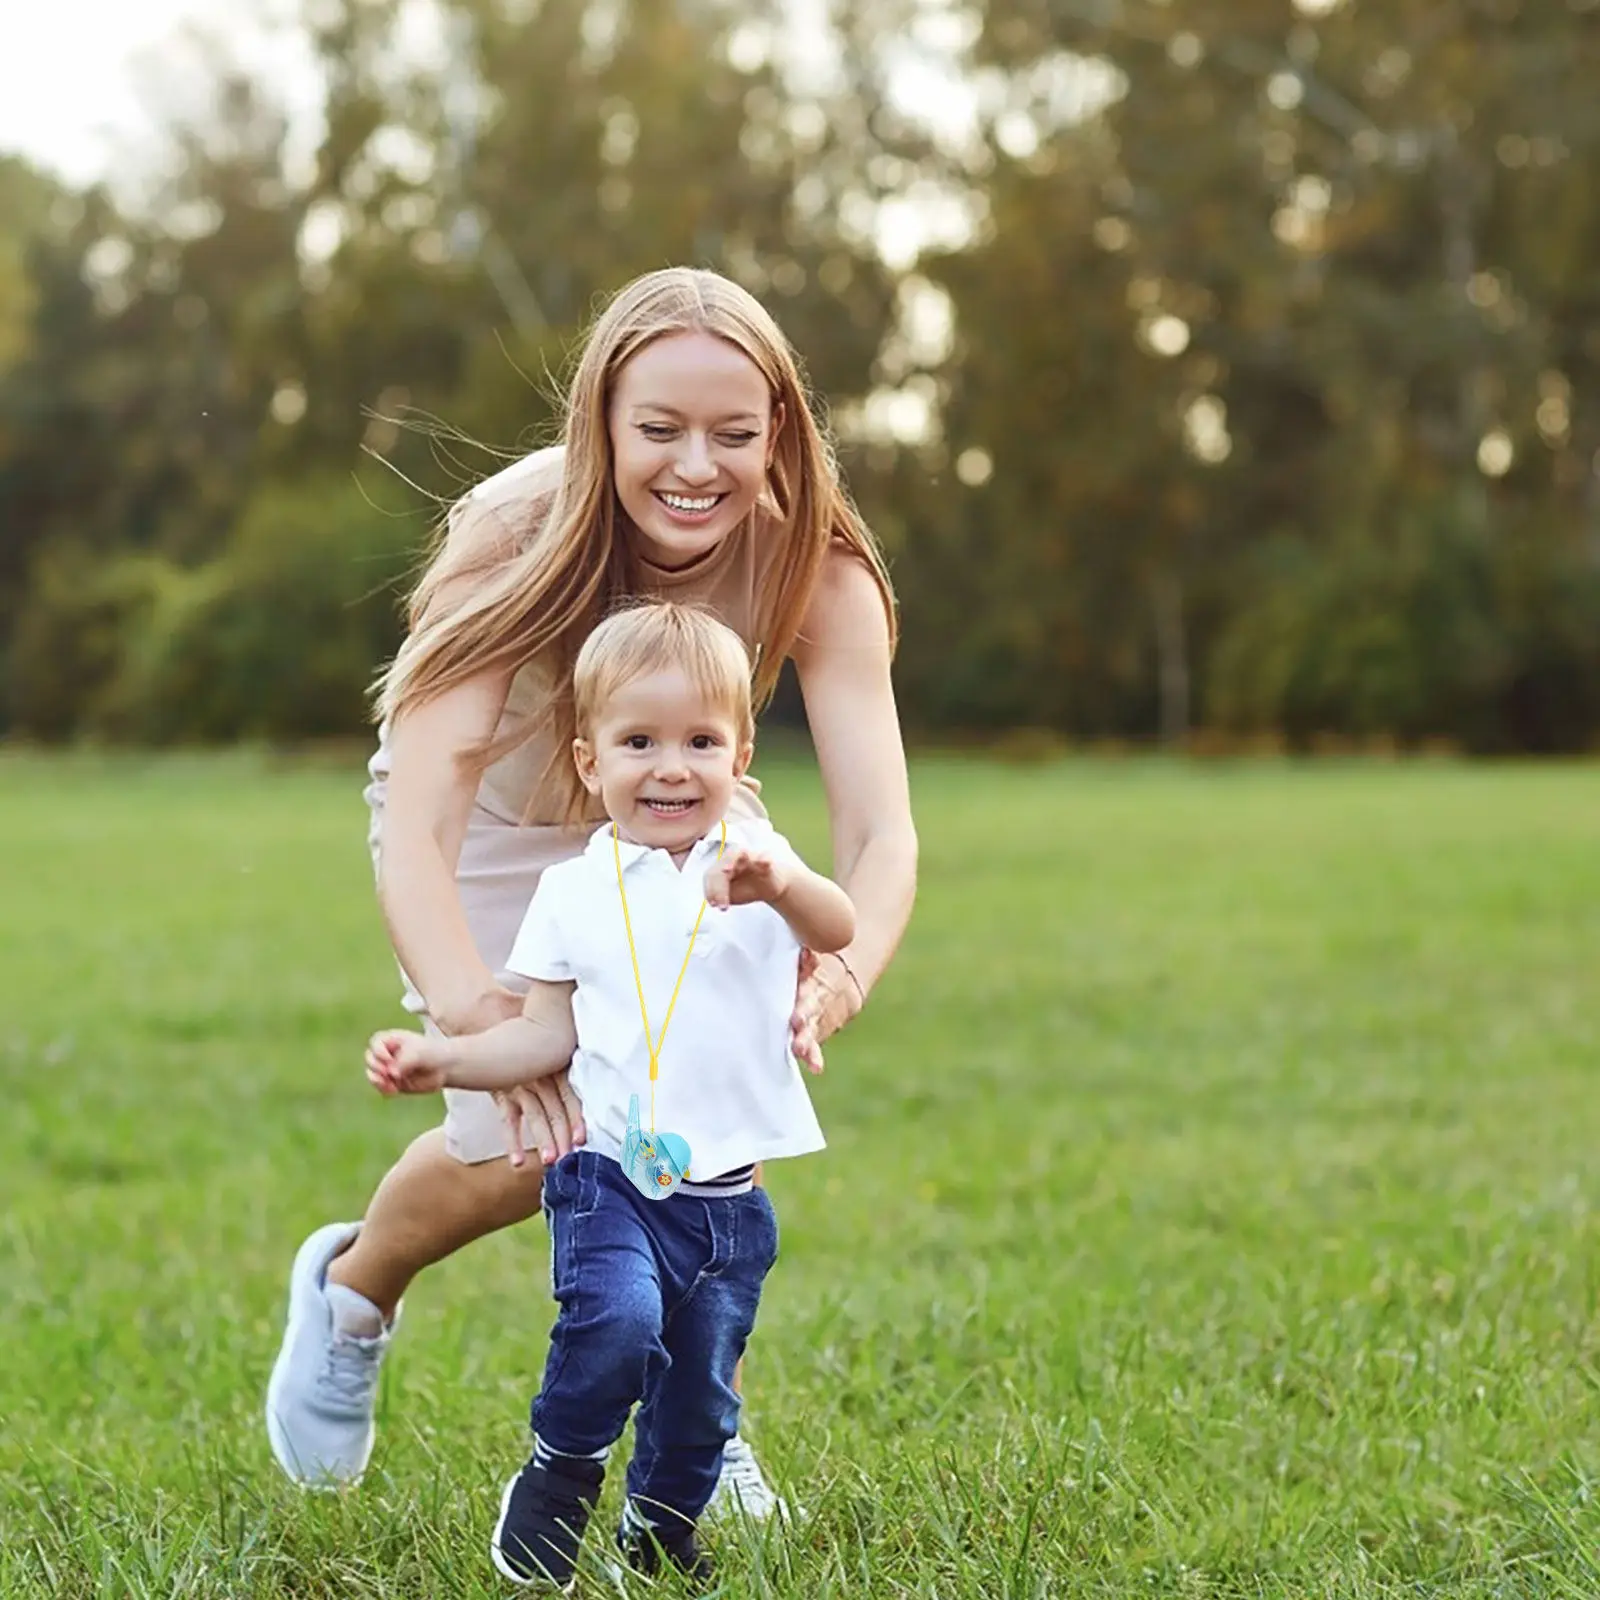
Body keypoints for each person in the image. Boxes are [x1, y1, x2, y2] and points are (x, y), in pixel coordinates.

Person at [265, 267, 918, 1515]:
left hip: (695, 808)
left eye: (735, 433)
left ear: (780, 429)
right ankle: (353, 1288)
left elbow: (880, 826)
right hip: (500, 819)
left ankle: (697, 1417)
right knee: (538, 1131)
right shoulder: (514, 533)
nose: (696, 465)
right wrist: (477, 1020)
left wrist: (835, 974)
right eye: (658, 429)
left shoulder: (818, 561)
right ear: (601, 423)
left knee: (697, 1078)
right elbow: (422, 809)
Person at [365, 600, 855, 1585]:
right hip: (612, 1179)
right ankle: (561, 1470)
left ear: (740, 752)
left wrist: (783, 886)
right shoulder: (573, 892)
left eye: (700, 741)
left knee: (703, 1400)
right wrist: (442, 1062)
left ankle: (660, 1525)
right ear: (592, 762)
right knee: (615, 1323)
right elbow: (543, 1034)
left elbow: (838, 927)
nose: (671, 766)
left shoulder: (761, 865)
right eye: (639, 741)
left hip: (727, 1202)